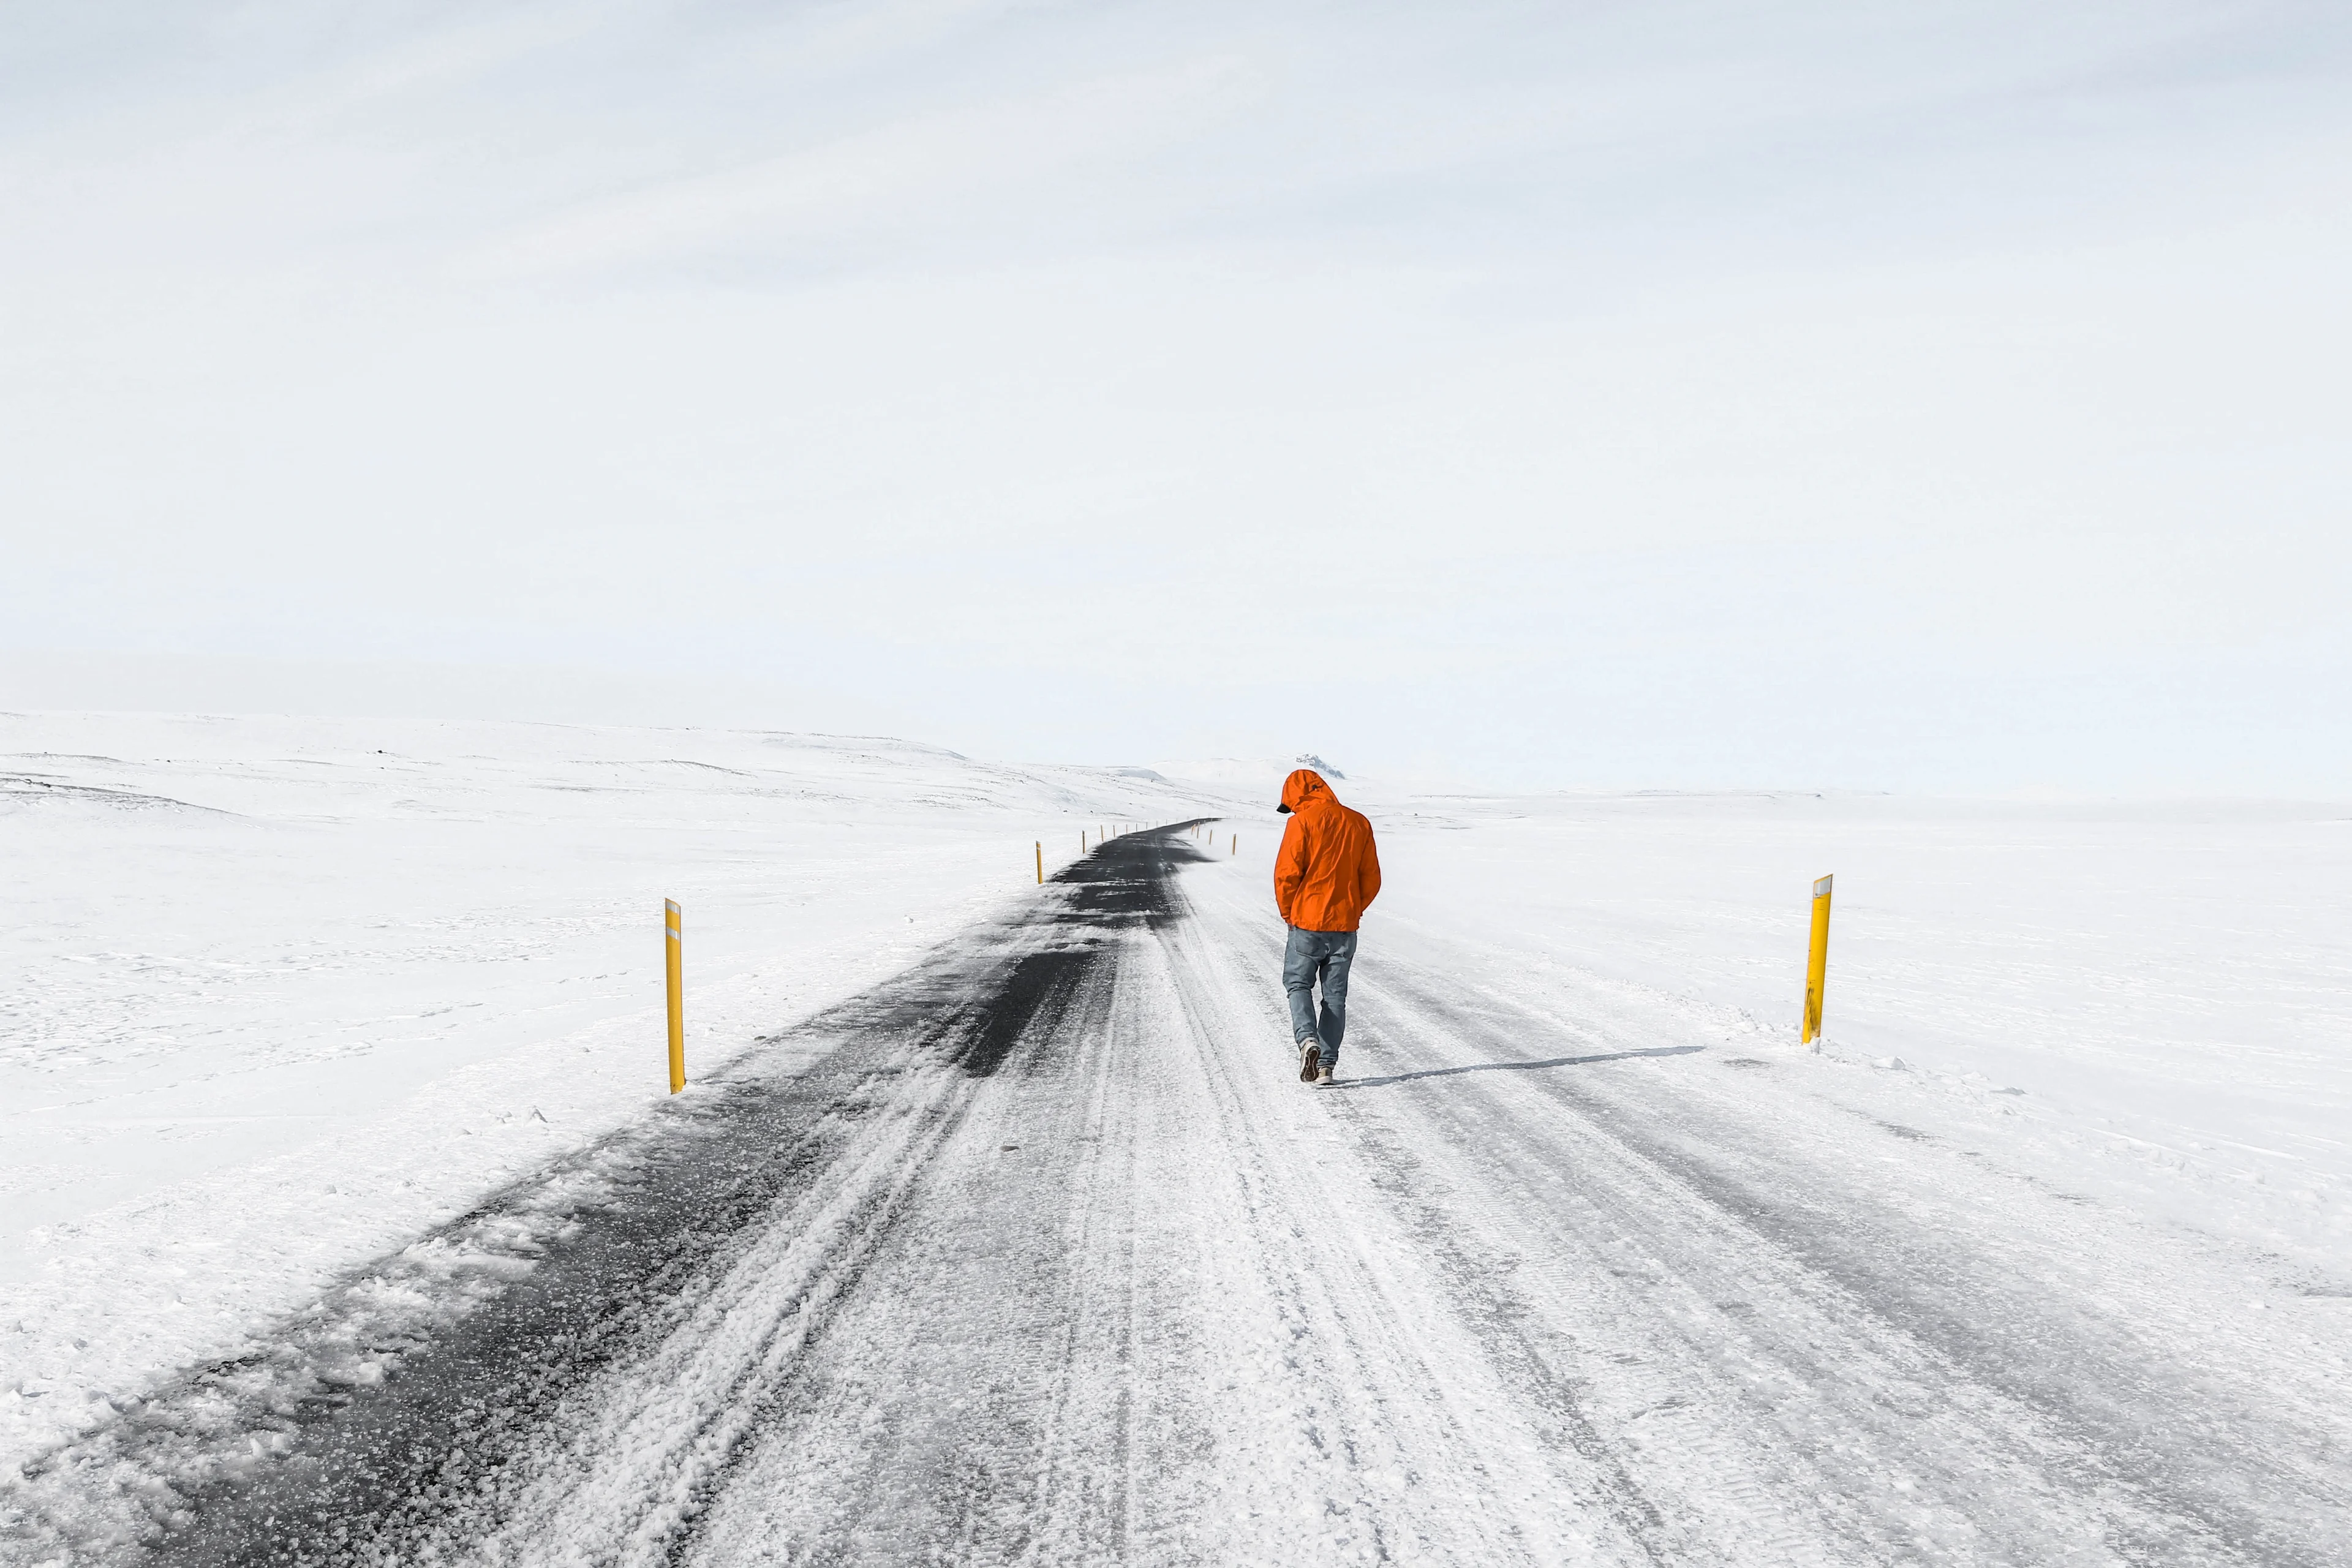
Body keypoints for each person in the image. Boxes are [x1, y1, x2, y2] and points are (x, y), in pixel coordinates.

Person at [1272, 767, 1381, 1087]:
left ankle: (1308, 1041)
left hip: (1307, 921)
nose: (1291, 811)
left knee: (1297, 984)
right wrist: (1352, 909)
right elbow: (1371, 878)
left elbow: (1286, 874)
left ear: (1297, 798)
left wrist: (1289, 913)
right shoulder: (1359, 822)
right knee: (1335, 998)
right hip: (1345, 927)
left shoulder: (1301, 822)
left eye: (1290, 805)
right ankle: (1326, 1068)